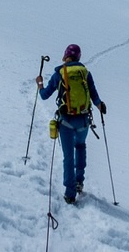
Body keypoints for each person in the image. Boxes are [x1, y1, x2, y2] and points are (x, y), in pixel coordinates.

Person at [36, 43, 106, 204]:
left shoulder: (60, 73)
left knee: (68, 157)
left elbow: (44, 95)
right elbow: (94, 95)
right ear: (78, 57)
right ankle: (79, 182)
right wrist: (100, 106)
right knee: (80, 147)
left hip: (66, 120)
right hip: (83, 120)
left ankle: (70, 193)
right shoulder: (85, 73)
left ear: (65, 55)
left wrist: (40, 84)